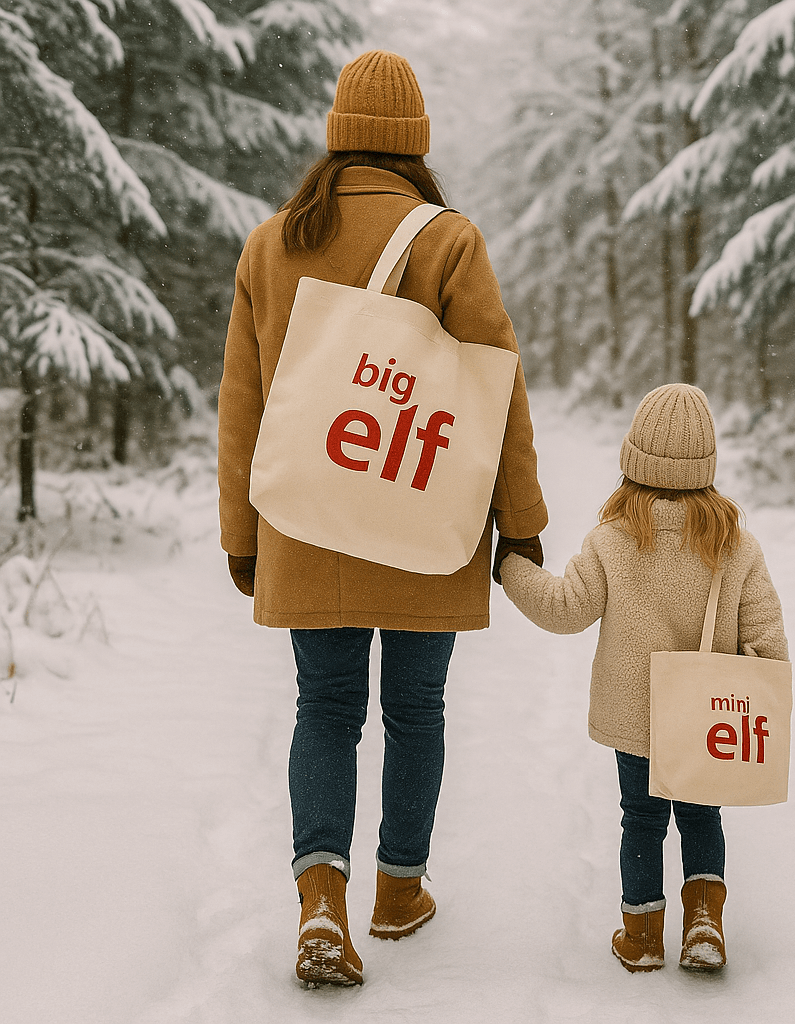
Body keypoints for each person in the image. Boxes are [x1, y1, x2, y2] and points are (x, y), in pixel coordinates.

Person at [217, 50, 548, 987]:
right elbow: (497, 394)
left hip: (306, 516)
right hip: (420, 515)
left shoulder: (271, 243)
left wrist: (242, 531)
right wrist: (520, 520)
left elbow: (241, 404)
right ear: (414, 142)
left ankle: (321, 897)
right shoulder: (447, 240)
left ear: (334, 135)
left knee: (324, 708)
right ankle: (399, 891)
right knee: (415, 710)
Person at [498, 383, 787, 973]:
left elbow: (563, 609)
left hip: (636, 719)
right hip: (710, 722)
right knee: (702, 815)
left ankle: (642, 935)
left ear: (634, 461)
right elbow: (768, 643)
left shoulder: (614, 541)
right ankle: (704, 925)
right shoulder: (737, 546)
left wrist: (511, 568)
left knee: (643, 820)